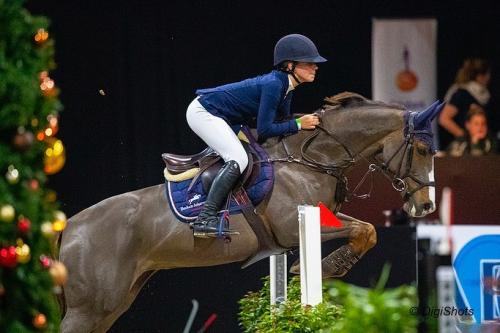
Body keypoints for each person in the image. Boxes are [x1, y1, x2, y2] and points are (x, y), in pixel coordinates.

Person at [185, 34, 327, 236]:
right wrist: (297, 124)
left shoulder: (287, 87)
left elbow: (280, 123)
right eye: (309, 63)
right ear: (289, 65)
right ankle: (205, 218)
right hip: (203, 112)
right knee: (238, 158)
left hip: (225, 118)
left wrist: (300, 122)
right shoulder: (274, 85)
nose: (315, 67)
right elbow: (266, 129)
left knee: (252, 152)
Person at [438, 58, 492, 149]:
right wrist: (464, 136)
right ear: (480, 76)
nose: (489, 77)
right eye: (487, 74)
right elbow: (444, 119)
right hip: (462, 148)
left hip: (482, 144)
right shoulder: (461, 93)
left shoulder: (484, 94)